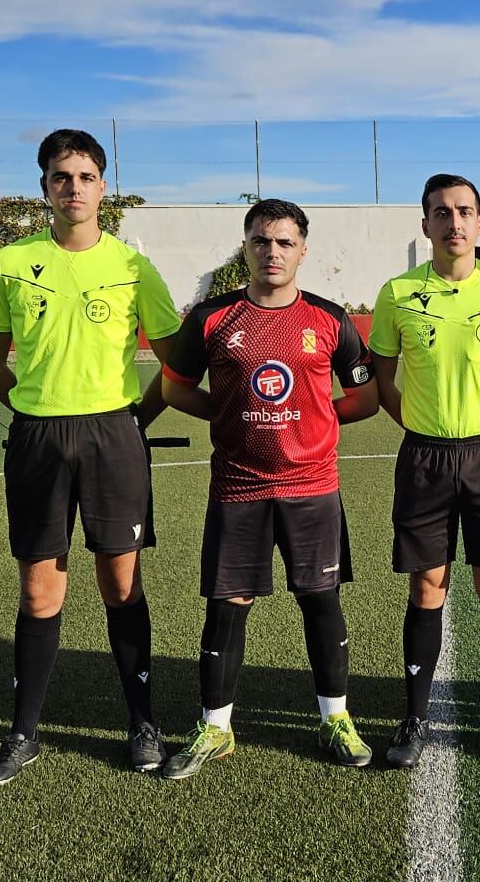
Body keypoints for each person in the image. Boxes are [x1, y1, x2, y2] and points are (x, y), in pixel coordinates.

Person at [0, 128, 183, 786]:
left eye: (86, 176)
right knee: (39, 592)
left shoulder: (131, 266)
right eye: (61, 177)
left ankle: (142, 722)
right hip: (39, 439)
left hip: (113, 438)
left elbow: (177, 366)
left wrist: (131, 420)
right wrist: (37, 410)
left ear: (103, 187)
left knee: (120, 582)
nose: (74, 188)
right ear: (44, 188)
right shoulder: (8, 263)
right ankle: (23, 733)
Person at [155, 199, 381, 776]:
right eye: (261, 241)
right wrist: (227, 415)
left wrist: (317, 422)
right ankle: (215, 727)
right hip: (239, 485)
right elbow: (176, 389)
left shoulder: (331, 320)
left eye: (284, 242)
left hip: (312, 484)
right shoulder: (210, 318)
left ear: (303, 249)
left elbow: (366, 398)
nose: (272, 252)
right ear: (246, 248)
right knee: (227, 606)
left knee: (320, 600)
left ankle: (335, 718)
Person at [369, 173, 480, 767]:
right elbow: (383, 382)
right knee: (427, 587)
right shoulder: (396, 294)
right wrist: (420, 427)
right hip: (424, 457)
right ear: (424, 225)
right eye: (440, 212)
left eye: (464, 211)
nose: (453, 222)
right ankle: (415, 718)